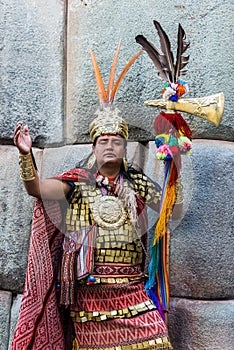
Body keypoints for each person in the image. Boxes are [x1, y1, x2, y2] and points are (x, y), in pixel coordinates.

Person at [12, 44, 183, 350]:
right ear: (93, 147)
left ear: (124, 147)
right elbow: (36, 189)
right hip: (91, 292)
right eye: (103, 141)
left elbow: (173, 210)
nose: (109, 146)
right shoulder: (76, 183)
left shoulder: (138, 183)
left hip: (132, 288)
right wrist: (26, 155)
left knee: (158, 340)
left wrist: (174, 171)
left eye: (116, 141)